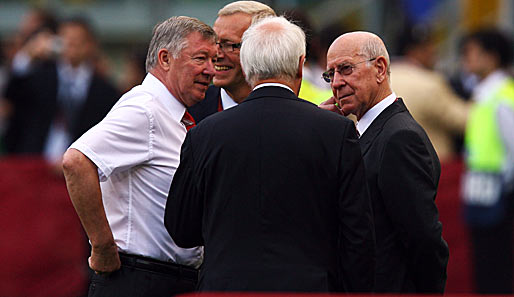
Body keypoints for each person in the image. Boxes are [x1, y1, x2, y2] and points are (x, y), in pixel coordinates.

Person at [164, 16, 376, 293]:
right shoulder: (336, 133)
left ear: (247, 66)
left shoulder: (204, 135)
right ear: (301, 64)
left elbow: (181, 229)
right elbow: (358, 237)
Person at [61, 16, 217, 297]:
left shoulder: (168, 114)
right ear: (165, 58)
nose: (211, 71)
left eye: (212, 60)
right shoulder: (144, 110)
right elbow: (76, 161)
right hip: (138, 279)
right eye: (201, 58)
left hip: (164, 279)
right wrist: (102, 246)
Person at [319, 31, 449, 293]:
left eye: (345, 69)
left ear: (379, 68)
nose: (336, 83)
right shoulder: (364, 130)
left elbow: (424, 239)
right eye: (330, 74)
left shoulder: (399, 137)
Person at [3, 17, 119, 167]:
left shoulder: (104, 89)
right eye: (66, 39)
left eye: (78, 40)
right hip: (35, 165)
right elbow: (12, 97)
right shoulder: (39, 76)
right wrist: (27, 56)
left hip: (80, 169)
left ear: (91, 45)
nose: (72, 45)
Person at [459, 28, 514, 294]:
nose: (465, 59)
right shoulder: (483, 94)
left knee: (498, 271)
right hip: (482, 193)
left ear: (492, 57)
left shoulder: (502, 96)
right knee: (484, 269)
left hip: (501, 198)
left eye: (472, 52)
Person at [390, 23, 470, 162]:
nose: (434, 52)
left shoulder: (378, 78)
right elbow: (463, 120)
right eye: (428, 48)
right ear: (414, 51)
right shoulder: (429, 82)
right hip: (427, 167)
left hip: (384, 165)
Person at [187, 0, 275, 123]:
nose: (216, 54)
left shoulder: (289, 115)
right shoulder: (188, 111)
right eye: (214, 43)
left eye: (228, 44)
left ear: (261, 49)